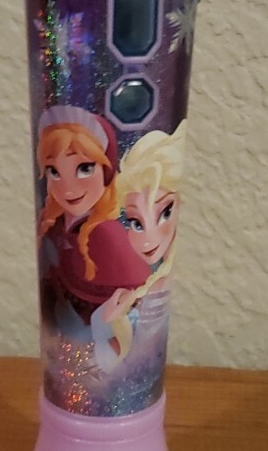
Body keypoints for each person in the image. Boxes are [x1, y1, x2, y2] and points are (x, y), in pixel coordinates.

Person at [35, 106, 150, 339]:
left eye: (85, 168)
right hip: (60, 341)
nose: (68, 188)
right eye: (54, 171)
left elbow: (138, 302)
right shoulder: (54, 223)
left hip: (100, 343)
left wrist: (105, 324)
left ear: (106, 170)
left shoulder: (108, 235)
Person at [92, 121, 187, 371]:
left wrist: (105, 325)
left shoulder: (157, 288)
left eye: (165, 212)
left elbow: (135, 368)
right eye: (136, 222)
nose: (148, 239)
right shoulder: (151, 285)